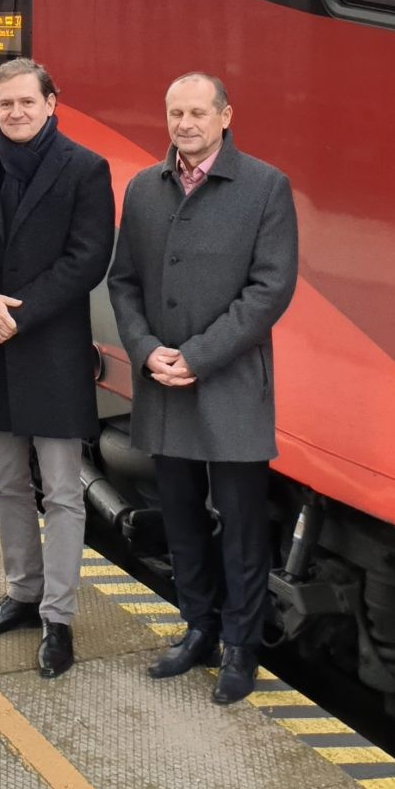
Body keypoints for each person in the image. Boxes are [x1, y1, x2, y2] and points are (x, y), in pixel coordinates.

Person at [107, 73, 298, 705]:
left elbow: (271, 289)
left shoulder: (266, 187)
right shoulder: (143, 189)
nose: (184, 123)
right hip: (164, 381)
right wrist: (143, 350)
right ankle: (199, 631)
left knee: (241, 524)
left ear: (225, 117)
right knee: (183, 518)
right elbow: (123, 282)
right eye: (174, 112)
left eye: (196, 112)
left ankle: (242, 649)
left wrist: (198, 356)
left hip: (231, 381)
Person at [0, 58, 115, 679]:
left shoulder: (85, 169)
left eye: (27, 102)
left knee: (64, 491)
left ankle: (59, 617)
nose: (16, 113)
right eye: (5, 104)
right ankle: (22, 594)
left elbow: (88, 256)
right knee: (5, 483)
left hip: (50, 349)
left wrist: (22, 311)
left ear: (52, 103)